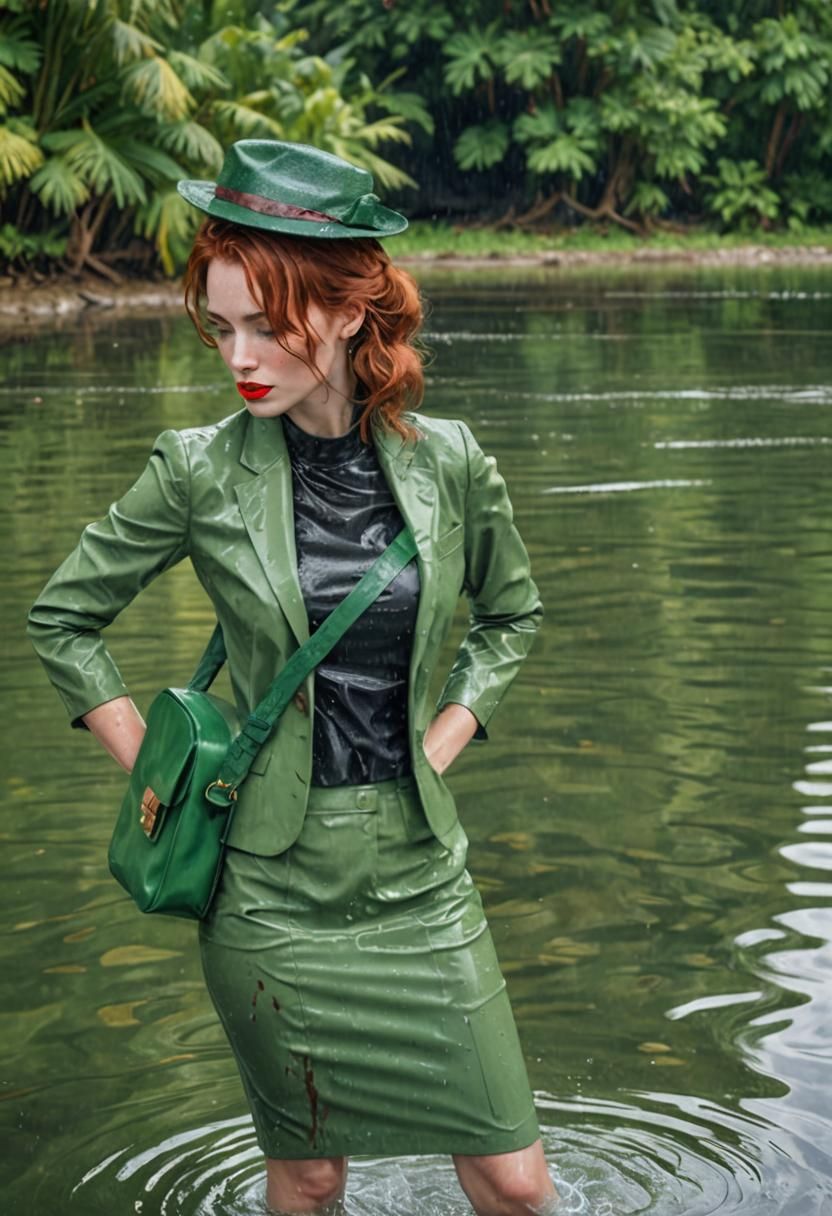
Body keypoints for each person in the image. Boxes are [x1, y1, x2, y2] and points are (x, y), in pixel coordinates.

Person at [27, 140, 557, 1216]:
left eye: (269, 325)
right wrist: (163, 774)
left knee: (513, 1180)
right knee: (308, 1177)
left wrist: (441, 740)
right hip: (266, 890)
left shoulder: (449, 462)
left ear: (353, 311)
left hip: (419, 874)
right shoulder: (198, 470)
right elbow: (63, 619)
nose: (242, 354)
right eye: (220, 327)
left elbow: (512, 615)